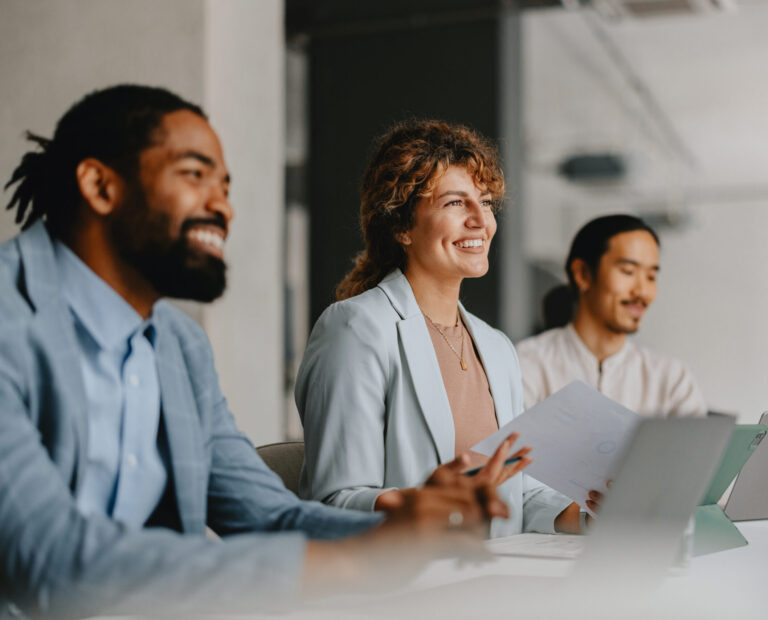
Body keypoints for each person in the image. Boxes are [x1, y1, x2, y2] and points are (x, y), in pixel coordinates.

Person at [0, 85, 511, 618]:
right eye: (195, 175)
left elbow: (268, 515)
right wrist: (352, 562)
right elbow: (48, 559)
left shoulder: (177, 344)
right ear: (100, 186)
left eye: (225, 185)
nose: (222, 206)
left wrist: (404, 525)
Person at [297, 119, 599, 539]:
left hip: (495, 582)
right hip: (405, 588)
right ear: (401, 225)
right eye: (456, 203)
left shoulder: (496, 347)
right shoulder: (355, 328)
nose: (481, 220)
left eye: (487, 202)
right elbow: (334, 503)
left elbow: (517, 498)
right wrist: (425, 503)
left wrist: (589, 515)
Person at [517, 214, 707, 416]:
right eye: (627, 271)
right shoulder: (526, 364)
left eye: (651, 276)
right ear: (582, 274)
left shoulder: (671, 378)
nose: (643, 292)